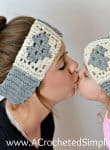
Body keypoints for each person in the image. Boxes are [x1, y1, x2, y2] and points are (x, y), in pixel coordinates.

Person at [0, 16, 78, 150]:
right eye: (62, 65)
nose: (74, 65)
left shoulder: (44, 119)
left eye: (66, 55)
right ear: (28, 86)